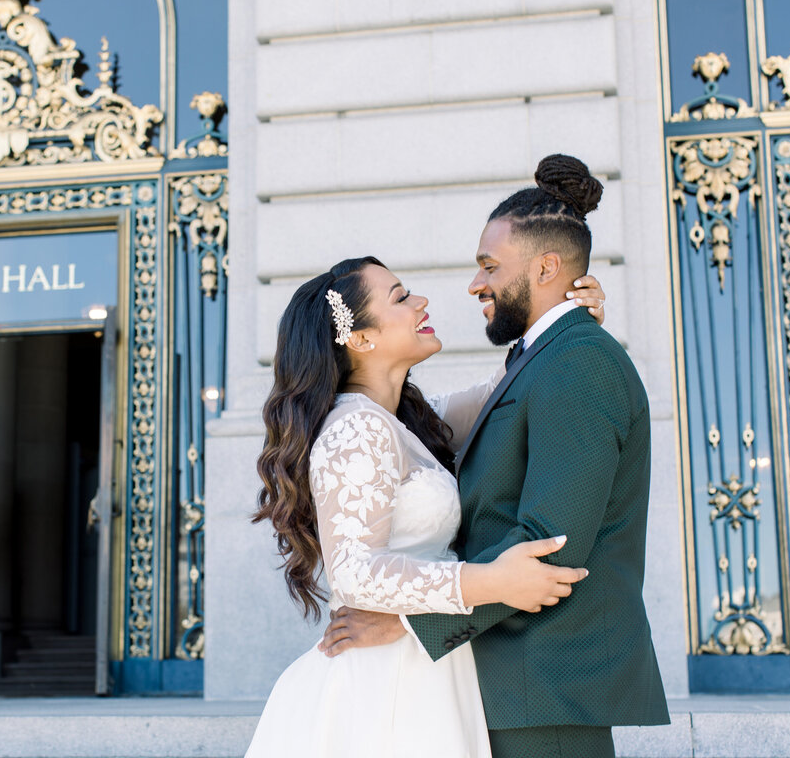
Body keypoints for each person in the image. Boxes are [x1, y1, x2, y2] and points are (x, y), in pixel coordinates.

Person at [319, 154, 671, 758]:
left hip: (544, 688)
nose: (474, 285)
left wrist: (406, 626)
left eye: (488, 267)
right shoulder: (545, 361)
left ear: (547, 268)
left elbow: (550, 547)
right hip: (503, 684)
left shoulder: (578, 362)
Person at [246, 248, 606, 756]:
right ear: (363, 337)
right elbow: (354, 571)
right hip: (386, 682)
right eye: (401, 297)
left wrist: (566, 317)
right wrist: (493, 580)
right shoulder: (357, 427)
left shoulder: (405, 424)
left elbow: (508, 389)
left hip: (425, 661)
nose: (422, 302)